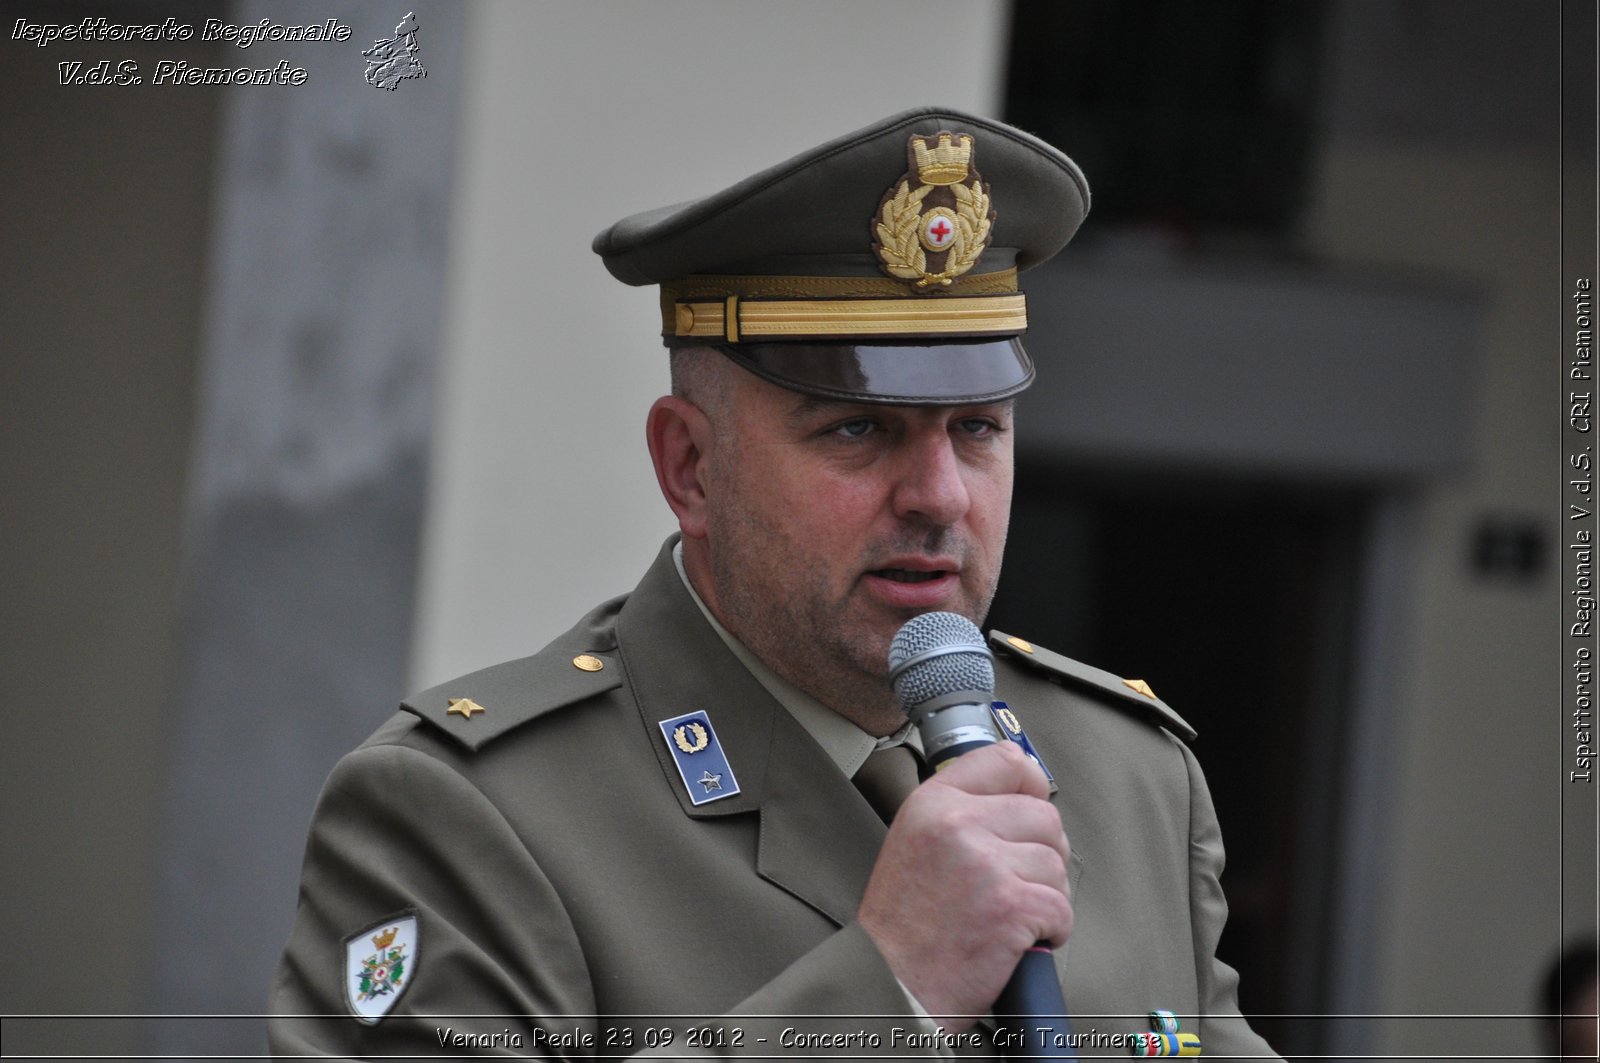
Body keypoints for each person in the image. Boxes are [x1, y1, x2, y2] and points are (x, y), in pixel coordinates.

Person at [269, 106, 1280, 1060]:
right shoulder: (470, 813)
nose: (938, 495)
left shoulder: (1133, 780)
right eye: (857, 429)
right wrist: (894, 983)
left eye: (975, 428)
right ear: (691, 468)